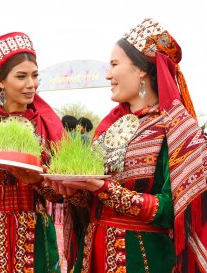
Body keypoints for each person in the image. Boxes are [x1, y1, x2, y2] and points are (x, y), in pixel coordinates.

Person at [51, 18, 207, 273]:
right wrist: (74, 193)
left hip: (142, 257)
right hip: (94, 254)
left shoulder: (177, 130)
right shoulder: (109, 127)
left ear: (141, 70)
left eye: (114, 64)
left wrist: (106, 190)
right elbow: (93, 201)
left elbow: (173, 211)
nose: (108, 74)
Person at [0, 32, 65, 273]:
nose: (31, 84)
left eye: (35, 76)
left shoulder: (47, 126)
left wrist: (37, 180)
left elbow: (60, 196)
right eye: (21, 76)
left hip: (37, 242)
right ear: (1, 81)